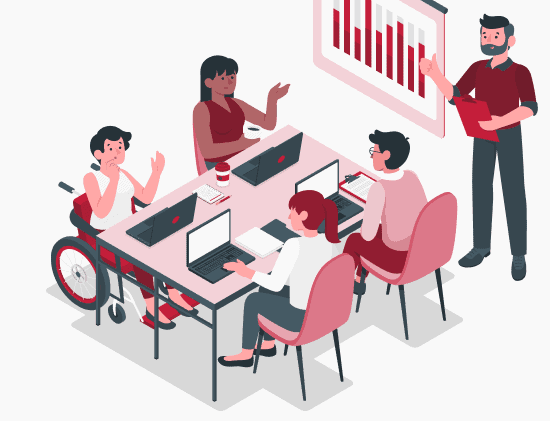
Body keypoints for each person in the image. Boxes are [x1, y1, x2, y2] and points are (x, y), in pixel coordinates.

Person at [419, 14, 537, 281]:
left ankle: (518, 254)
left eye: (495, 36)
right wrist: (434, 74)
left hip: (508, 135)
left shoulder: (520, 71)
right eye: (485, 36)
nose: (489, 41)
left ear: (510, 40)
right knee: (480, 188)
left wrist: (501, 120)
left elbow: (530, 107)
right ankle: (481, 246)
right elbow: (456, 96)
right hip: (481, 135)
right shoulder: (477, 68)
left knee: (513, 192)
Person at [84, 126, 197, 330]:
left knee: (166, 242)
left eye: (120, 146)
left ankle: (173, 294)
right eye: (111, 147)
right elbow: (101, 211)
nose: (118, 151)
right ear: (98, 154)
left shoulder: (123, 172)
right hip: (106, 233)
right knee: (141, 257)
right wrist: (113, 180)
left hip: (130, 225)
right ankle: (151, 309)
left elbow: (145, 197)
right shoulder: (91, 178)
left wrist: (156, 173)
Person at [217, 190, 340, 368]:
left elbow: (275, 285)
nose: (289, 216)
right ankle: (268, 345)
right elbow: (308, 275)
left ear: (304, 215)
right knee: (265, 286)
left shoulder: (295, 245)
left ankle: (245, 355)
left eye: (293, 211)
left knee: (253, 300)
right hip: (324, 313)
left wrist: (245, 271)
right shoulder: (330, 243)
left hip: (301, 318)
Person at [343, 130, 427, 296]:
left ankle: (344, 283)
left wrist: (372, 212)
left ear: (386, 155)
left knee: (354, 240)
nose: (371, 156)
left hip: (400, 260)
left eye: (374, 152)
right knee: (380, 229)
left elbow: (366, 236)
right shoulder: (412, 176)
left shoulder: (379, 188)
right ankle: (360, 279)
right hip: (420, 249)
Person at [193, 55, 290, 170]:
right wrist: (243, 144)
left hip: (243, 157)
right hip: (220, 166)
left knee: (279, 164)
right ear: (208, 82)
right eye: (223, 78)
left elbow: (268, 124)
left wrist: (272, 99)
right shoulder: (202, 109)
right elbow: (208, 152)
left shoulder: (237, 104)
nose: (229, 82)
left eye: (232, 77)